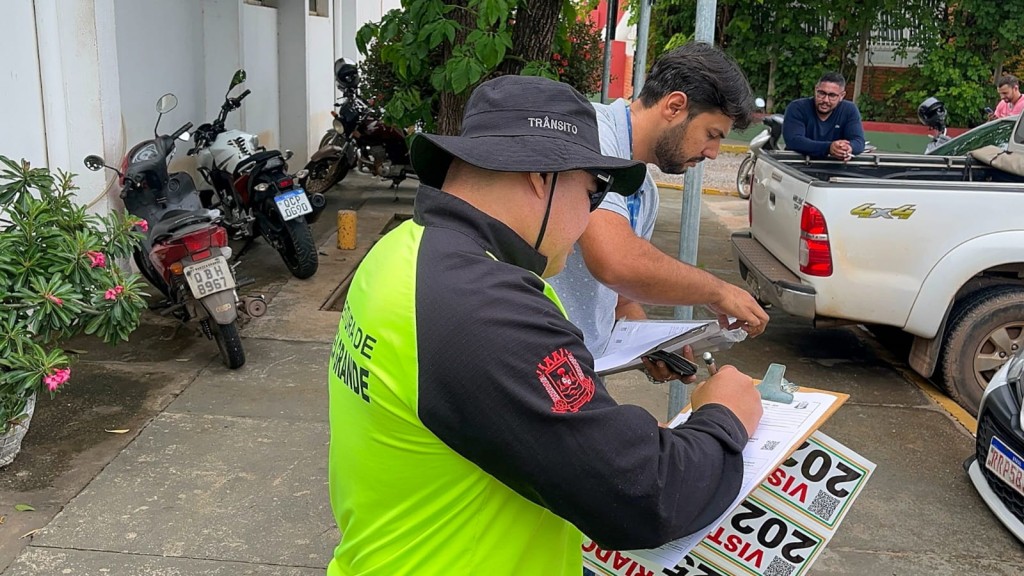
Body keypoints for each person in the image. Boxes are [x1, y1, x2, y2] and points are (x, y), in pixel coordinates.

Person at [325, 75, 764, 575]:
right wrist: (724, 416)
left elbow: (508, 422)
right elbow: (648, 496)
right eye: (593, 193)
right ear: (541, 175)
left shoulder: (403, 251)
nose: (587, 221)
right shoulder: (483, 306)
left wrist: (601, 435)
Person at [547, 42, 770, 384]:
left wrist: (654, 346)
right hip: (534, 366)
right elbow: (617, 262)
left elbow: (620, 300)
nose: (713, 153)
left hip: (578, 377)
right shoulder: (592, 133)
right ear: (675, 106)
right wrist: (718, 292)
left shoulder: (644, 191)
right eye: (712, 134)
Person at [783, 72, 865, 160]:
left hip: (836, 165)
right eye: (822, 93)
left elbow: (858, 141)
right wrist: (829, 148)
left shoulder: (849, 109)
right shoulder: (797, 107)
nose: (825, 100)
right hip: (798, 164)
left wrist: (848, 148)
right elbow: (794, 141)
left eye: (832, 95)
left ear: (842, 96)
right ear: (816, 90)